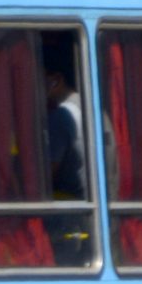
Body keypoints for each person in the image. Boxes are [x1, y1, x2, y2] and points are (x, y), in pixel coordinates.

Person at [44, 69, 87, 201]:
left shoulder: (61, 115)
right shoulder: (93, 110)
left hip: (68, 210)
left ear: (55, 81)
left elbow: (48, 172)